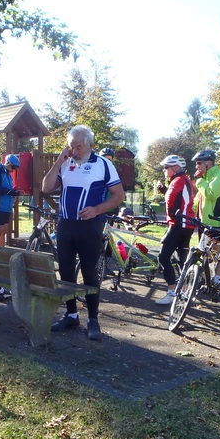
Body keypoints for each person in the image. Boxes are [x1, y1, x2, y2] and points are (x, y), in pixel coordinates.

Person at [42, 125, 125, 340]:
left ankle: (93, 319)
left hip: (90, 226)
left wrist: (97, 209)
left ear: (90, 145)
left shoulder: (104, 165)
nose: (75, 151)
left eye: (79, 147)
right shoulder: (65, 163)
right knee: (67, 271)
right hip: (66, 224)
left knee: (89, 272)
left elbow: (118, 196)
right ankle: (71, 314)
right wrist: (59, 160)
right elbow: (46, 188)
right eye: (72, 147)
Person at [154, 155, 196, 305]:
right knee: (181, 260)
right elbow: (180, 199)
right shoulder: (186, 180)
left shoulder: (177, 181)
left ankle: (172, 292)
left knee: (163, 257)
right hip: (188, 225)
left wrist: (170, 217)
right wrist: (164, 190)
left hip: (178, 225)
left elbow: (171, 202)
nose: (164, 170)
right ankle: (185, 292)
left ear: (175, 168)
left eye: (166, 167)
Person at [192, 149, 220, 284]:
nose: (196, 166)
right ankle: (209, 276)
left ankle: (217, 278)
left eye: (199, 163)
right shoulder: (206, 178)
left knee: (209, 250)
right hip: (205, 222)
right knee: (210, 251)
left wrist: (199, 181)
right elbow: (199, 200)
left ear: (208, 162)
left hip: (218, 220)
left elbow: (211, 194)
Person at [0, 154, 21, 249]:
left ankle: (1, 252)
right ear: (8, 163)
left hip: (7, 207)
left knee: (4, 230)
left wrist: (14, 193)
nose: (14, 169)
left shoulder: (8, 176)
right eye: (13, 167)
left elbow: (8, 190)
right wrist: (7, 191)